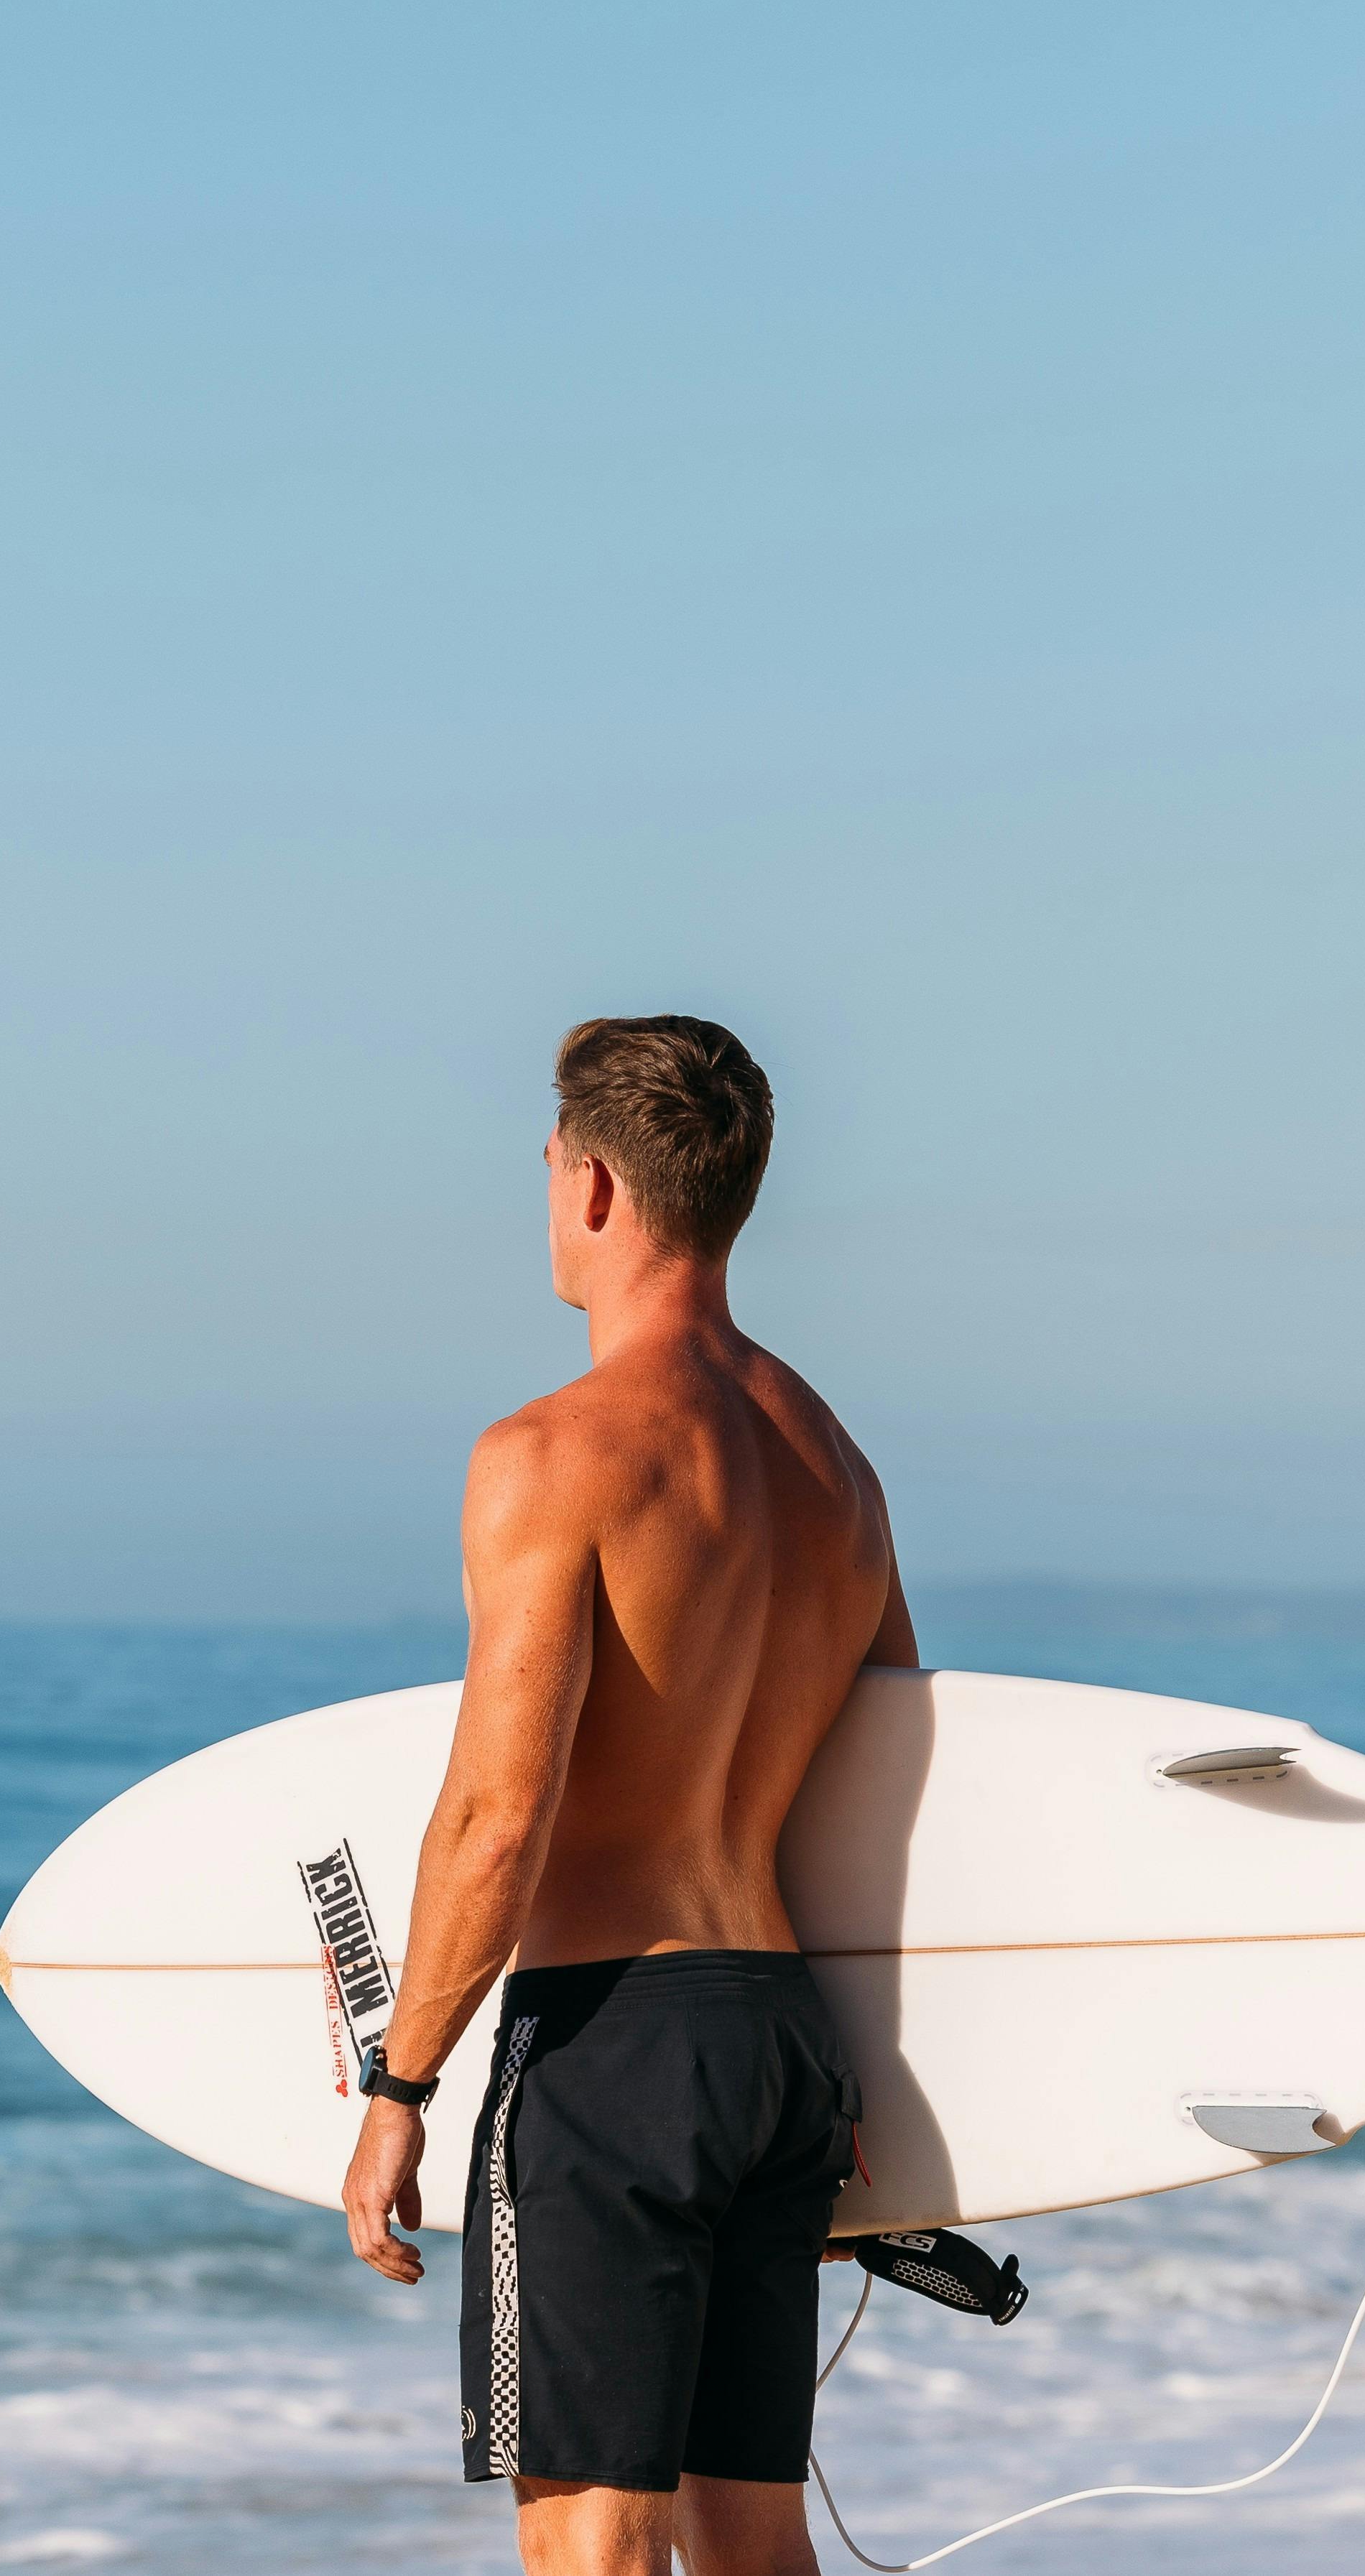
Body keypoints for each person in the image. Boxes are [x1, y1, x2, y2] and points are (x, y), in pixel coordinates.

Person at [340, 1014, 915, 2576]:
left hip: (611, 2047)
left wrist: (400, 2089)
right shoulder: (836, 1469)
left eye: (544, 1169)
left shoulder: (556, 1455)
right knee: (750, 2540)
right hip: (781, 2043)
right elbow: (894, 1775)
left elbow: (498, 1815)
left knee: (594, 2541)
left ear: (592, 1183)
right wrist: (859, 2058)